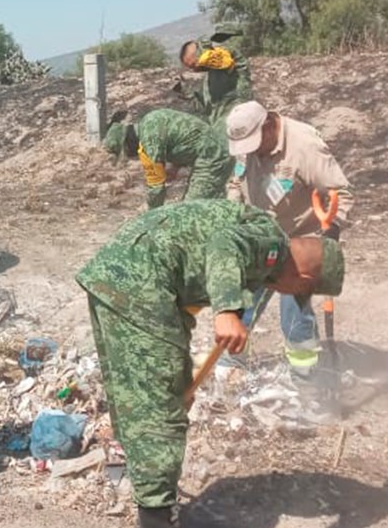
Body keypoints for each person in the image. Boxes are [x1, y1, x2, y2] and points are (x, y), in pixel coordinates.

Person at [76, 200, 344, 528]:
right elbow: (222, 244)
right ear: (303, 276)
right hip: (139, 286)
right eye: (299, 292)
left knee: (158, 399)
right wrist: (227, 311)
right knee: (159, 416)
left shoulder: (261, 241)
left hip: (129, 280)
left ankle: (163, 517)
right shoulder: (269, 244)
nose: (287, 295)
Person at [226, 100, 353, 374]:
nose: (251, 152)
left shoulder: (304, 144)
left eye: (254, 143)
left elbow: (339, 193)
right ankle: (231, 364)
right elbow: (236, 181)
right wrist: (232, 214)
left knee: (294, 315)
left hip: (299, 241)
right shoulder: (247, 142)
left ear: (269, 125)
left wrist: (330, 232)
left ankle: (307, 376)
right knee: (240, 302)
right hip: (260, 235)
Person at [102, 107, 231, 209]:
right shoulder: (150, 121)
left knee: (190, 210)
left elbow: (156, 187)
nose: (132, 157)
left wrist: (150, 216)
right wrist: (175, 167)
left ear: (128, 143)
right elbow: (184, 139)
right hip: (212, 152)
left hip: (212, 157)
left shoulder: (149, 142)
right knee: (201, 204)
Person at [176, 25, 253, 126]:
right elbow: (206, 109)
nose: (195, 69)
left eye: (194, 64)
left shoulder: (224, 59)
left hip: (237, 117)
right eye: (191, 68)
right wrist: (188, 94)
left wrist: (205, 48)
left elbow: (224, 56)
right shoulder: (209, 79)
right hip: (219, 124)